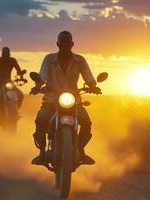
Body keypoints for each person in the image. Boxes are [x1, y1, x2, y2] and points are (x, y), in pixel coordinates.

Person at [30, 31, 101, 165]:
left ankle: (81, 151)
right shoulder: (49, 59)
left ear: (72, 43)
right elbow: (42, 75)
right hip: (51, 99)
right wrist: (38, 86)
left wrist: (93, 86)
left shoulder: (79, 60)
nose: (64, 44)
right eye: (62, 41)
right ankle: (42, 153)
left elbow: (88, 76)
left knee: (86, 122)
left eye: (67, 41)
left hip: (74, 100)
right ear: (57, 43)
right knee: (41, 119)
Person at [0, 47, 24, 121]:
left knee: (21, 95)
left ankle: (17, 111)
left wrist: (21, 77)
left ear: (9, 53)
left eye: (7, 53)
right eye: (4, 53)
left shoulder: (12, 60)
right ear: (2, 54)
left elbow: (19, 70)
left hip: (8, 83)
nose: (6, 55)